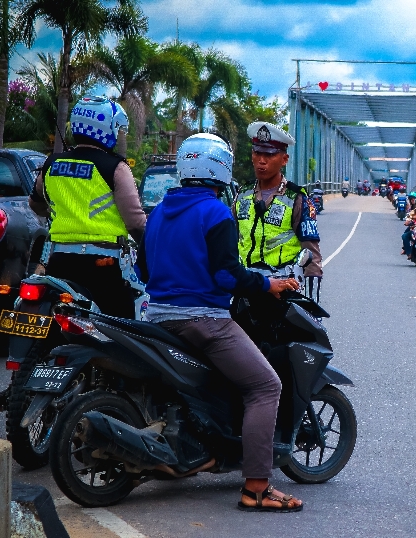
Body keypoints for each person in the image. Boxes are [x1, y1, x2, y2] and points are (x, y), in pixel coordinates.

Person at [139, 133, 304, 513]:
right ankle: (258, 487)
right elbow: (228, 277)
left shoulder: (159, 211)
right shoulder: (217, 212)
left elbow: (145, 270)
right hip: (205, 321)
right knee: (265, 386)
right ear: (221, 169)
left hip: (158, 318)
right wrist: (268, 283)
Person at [28, 96, 146, 318]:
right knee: (123, 328)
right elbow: (135, 222)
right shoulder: (115, 168)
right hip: (103, 264)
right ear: (107, 128)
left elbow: (35, 203)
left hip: (58, 259)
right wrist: (150, 247)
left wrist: (60, 214)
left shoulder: (52, 163)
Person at [235, 121, 323, 299]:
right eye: (257, 152)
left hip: (283, 288)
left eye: (269, 154)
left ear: (284, 159)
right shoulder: (242, 194)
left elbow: (312, 255)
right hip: (245, 285)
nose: (261, 160)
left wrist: (312, 304)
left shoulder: (296, 198)